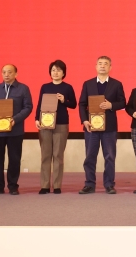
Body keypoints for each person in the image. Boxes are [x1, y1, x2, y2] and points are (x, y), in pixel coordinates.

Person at [78, 56, 126, 194]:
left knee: (109, 156)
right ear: (96, 66)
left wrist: (111, 105)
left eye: (106, 64)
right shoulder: (88, 84)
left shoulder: (117, 84)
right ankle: (89, 184)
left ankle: (109, 184)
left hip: (109, 127)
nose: (103, 66)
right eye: (100, 63)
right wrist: (84, 120)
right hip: (91, 127)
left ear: (110, 67)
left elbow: (123, 102)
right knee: (90, 156)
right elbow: (82, 104)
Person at [0, 64, 33, 195]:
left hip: (15, 130)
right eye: (4, 72)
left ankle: (13, 186)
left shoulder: (23, 89)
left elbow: (28, 107)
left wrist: (15, 119)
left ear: (16, 74)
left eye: (10, 72)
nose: (6, 74)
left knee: (14, 159)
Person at [34, 60, 77, 194]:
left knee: (58, 155)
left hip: (61, 124)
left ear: (63, 73)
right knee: (45, 155)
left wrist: (64, 100)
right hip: (45, 124)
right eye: (53, 70)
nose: (55, 72)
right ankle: (45, 185)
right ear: (50, 72)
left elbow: (74, 104)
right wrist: (36, 119)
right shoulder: (45, 87)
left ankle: (57, 185)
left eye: (58, 70)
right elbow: (39, 103)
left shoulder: (68, 87)